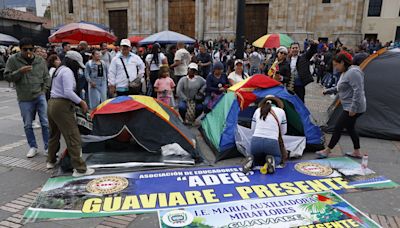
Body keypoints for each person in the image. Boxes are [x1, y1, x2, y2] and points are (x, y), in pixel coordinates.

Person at [47, 50, 94, 177]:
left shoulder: (59, 69)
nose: (78, 68)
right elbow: (68, 92)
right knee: (73, 135)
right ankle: (79, 169)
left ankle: (50, 160)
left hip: (52, 103)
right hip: (61, 105)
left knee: (54, 134)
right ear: (72, 62)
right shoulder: (67, 71)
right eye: (77, 65)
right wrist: (82, 102)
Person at [4, 37, 50, 158]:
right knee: (28, 124)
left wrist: (44, 90)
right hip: (24, 97)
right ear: (20, 49)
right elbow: (7, 76)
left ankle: (48, 147)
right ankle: (33, 147)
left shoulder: (40, 60)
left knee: (45, 123)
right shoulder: (13, 60)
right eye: (25, 49)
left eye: (31, 49)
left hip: (39, 95)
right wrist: (19, 71)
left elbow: (46, 77)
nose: (28, 51)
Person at [317, 51, 366, 159]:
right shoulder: (345, 72)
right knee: (350, 128)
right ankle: (357, 152)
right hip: (349, 106)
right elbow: (341, 87)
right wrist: (328, 91)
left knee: (338, 127)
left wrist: (353, 108)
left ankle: (327, 150)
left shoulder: (353, 72)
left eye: (336, 65)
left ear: (343, 62)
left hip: (354, 107)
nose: (335, 68)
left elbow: (358, 91)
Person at [242, 96, 287, 174]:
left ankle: (251, 161)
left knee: (257, 158)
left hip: (256, 140)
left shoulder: (258, 110)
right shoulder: (281, 111)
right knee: (277, 157)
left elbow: (253, 129)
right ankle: (272, 161)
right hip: (272, 141)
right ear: (277, 103)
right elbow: (284, 131)